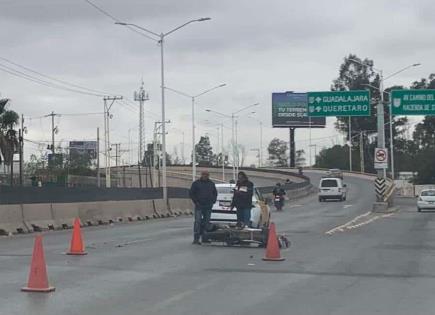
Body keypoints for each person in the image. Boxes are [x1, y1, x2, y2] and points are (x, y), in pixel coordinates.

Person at [189, 170, 217, 245]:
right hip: (199, 206)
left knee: (206, 222)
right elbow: (191, 193)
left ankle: (205, 238)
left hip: (208, 206)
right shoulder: (196, 183)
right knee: (197, 222)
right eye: (204, 174)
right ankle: (196, 238)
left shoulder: (211, 184)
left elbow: (215, 193)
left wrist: (213, 201)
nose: (205, 176)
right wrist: (196, 202)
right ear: (201, 175)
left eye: (206, 175)